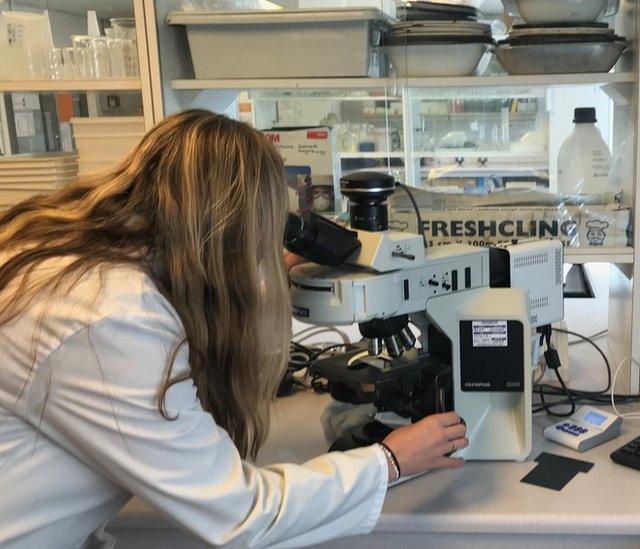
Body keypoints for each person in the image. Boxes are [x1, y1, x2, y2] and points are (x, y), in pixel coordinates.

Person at [0, 110, 467, 548]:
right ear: (224, 229)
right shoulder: (110, 318)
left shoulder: (72, 258)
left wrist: (254, 274)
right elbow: (242, 513)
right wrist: (390, 461)